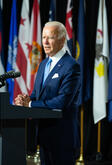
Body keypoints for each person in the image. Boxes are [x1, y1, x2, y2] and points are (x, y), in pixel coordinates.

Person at [15, 21, 80, 165]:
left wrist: (31, 104)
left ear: (62, 40)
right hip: (44, 135)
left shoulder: (72, 66)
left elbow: (62, 101)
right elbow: (38, 94)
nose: (45, 42)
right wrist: (26, 99)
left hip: (63, 137)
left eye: (50, 37)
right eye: (43, 37)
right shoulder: (44, 64)